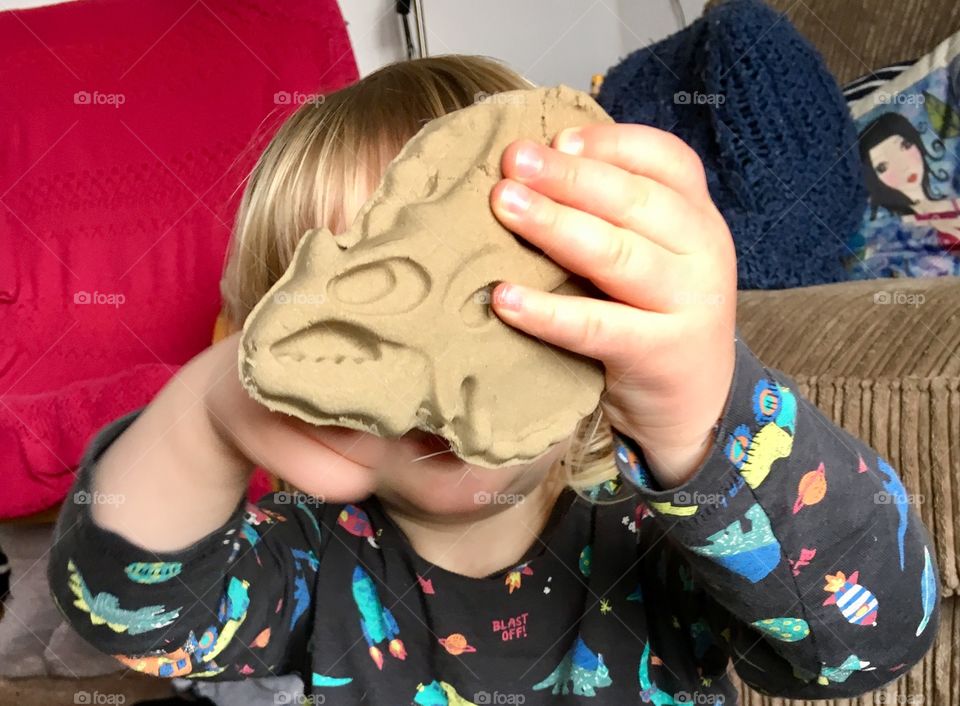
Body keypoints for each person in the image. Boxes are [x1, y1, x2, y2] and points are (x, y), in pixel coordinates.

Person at [49, 56, 938, 704]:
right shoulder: (306, 561)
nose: (435, 373)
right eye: (369, 328)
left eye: (497, 306)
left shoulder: (663, 529)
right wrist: (212, 409)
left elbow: (871, 643)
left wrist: (701, 413)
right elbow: (130, 611)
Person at [859, 111, 960, 250]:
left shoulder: (954, 203)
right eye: (882, 166)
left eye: (905, 146)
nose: (903, 166)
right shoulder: (895, 227)